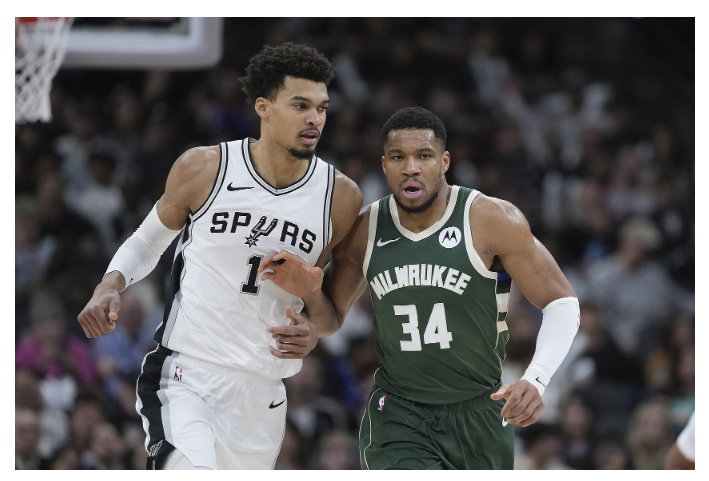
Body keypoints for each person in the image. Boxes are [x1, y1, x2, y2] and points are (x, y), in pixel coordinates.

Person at [77, 42, 362, 470]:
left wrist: (310, 328)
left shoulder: (339, 198)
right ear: (264, 107)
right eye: (300, 105)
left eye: (321, 108)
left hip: (263, 394)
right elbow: (146, 242)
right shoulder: (206, 167)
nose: (314, 119)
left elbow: (326, 317)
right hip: (187, 375)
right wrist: (109, 284)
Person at [262, 106, 579, 469]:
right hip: (400, 413)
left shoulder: (490, 219)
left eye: (423, 156)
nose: (410, 167)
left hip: (481, 412)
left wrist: (537, 378)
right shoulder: (365, 230)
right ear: (385, 166)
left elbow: (562, 302)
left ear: (444, 162)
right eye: (398, 157)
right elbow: (329, 320)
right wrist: (310, 293)